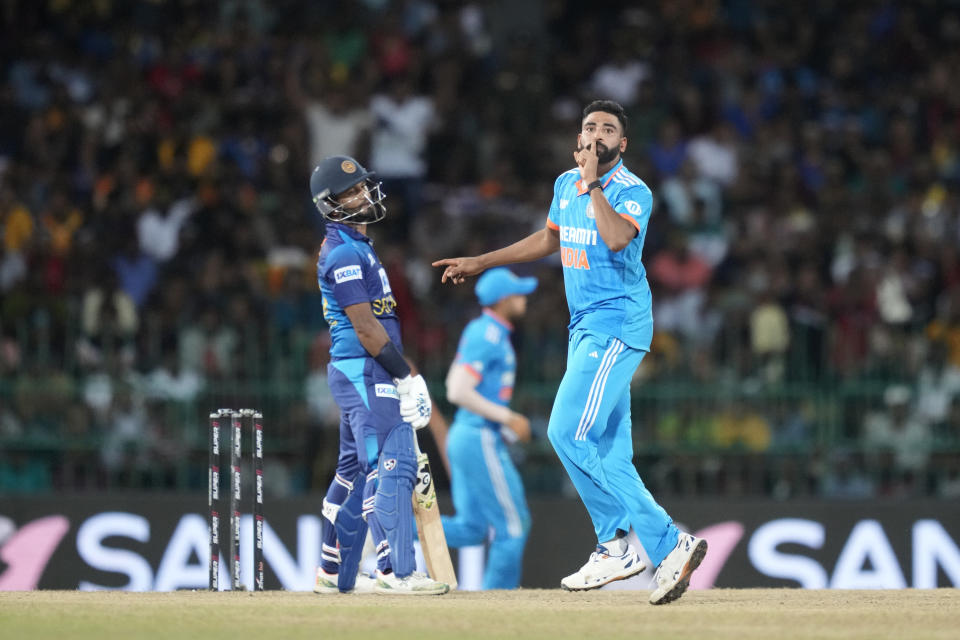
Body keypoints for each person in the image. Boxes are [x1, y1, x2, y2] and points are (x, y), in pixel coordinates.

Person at [433, 100, 707, 605]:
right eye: (589, 126)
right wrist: (480, 260)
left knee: (564, 431)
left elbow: (617, 237)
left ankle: (622, 545)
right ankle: (664, 546)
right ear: (578, 138)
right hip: (585, 329)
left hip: (617, 327)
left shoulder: (631, 190)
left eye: (608, 129)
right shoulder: (565, 185)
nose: (597, 133)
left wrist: (595, 182)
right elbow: (548, 239)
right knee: (608, 451)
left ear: (621, 144)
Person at [309, 155, 448, 596]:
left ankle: (332, 571)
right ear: (331, 204)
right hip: (364, 370)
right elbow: (367, 328)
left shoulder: (357, 246)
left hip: (362, 371)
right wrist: (405, 376)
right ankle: (395, 570)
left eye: (365, 186)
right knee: (393, 459)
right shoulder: (345, 252)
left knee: (352, 470)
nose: (366, 194)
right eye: (353, 191)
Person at [441, 267, 536, 589]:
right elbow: (456, 390)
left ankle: (390, 527)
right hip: (478, 436)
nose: (524, 297)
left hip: (468, 436)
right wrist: (507, 417)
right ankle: (499, 600)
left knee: (471, 528)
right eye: (518, 292)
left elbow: (453, 381)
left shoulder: (483, 330)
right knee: (513, 527)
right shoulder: (488, 334)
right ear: (503, 299)